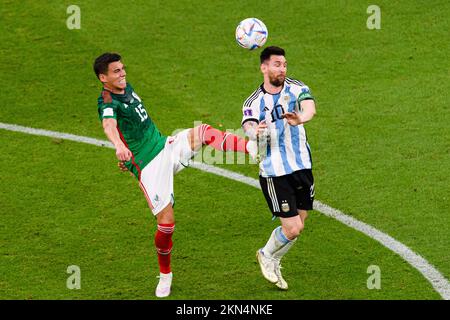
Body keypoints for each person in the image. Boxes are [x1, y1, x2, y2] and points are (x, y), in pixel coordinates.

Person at [93, 52, 255, 298]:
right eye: (116, 71)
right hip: (149, 166)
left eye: (123, 68)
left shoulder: (125, 87)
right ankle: (165, 275)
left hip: (165, 146)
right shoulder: (107, 100)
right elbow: (109, 125)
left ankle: (251, 148)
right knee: (166, 224)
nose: (123, 73)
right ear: (103, 77)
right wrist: (119, 146)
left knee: (203, 132)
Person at [241, 46, 316, 290]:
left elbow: (309, 107)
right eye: (276, 64)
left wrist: (301, 118)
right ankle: (266, 254)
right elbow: (249, 126)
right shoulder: (253, 101)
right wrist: (256, 132)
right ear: (264, 67)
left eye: (284, 64)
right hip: (275, 172)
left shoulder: (297, 87)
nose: (282, 69)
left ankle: (273, 258)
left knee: (299, 226)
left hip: (302, 165)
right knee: (292, 228)